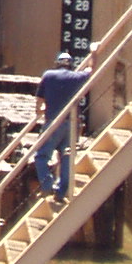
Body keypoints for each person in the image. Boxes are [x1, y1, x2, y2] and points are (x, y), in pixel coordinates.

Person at [32, 52, 91, 202]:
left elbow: (39, 100)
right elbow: (93, 70)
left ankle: (47, 186)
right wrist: (94, 53)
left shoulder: (48, 75)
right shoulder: (77, 78)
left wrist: (40, 111)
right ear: (71, 65)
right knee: (67, 158)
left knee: (41, 156)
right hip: (72, 123)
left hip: (53, 122)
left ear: (57, 63)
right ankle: (61, 192)